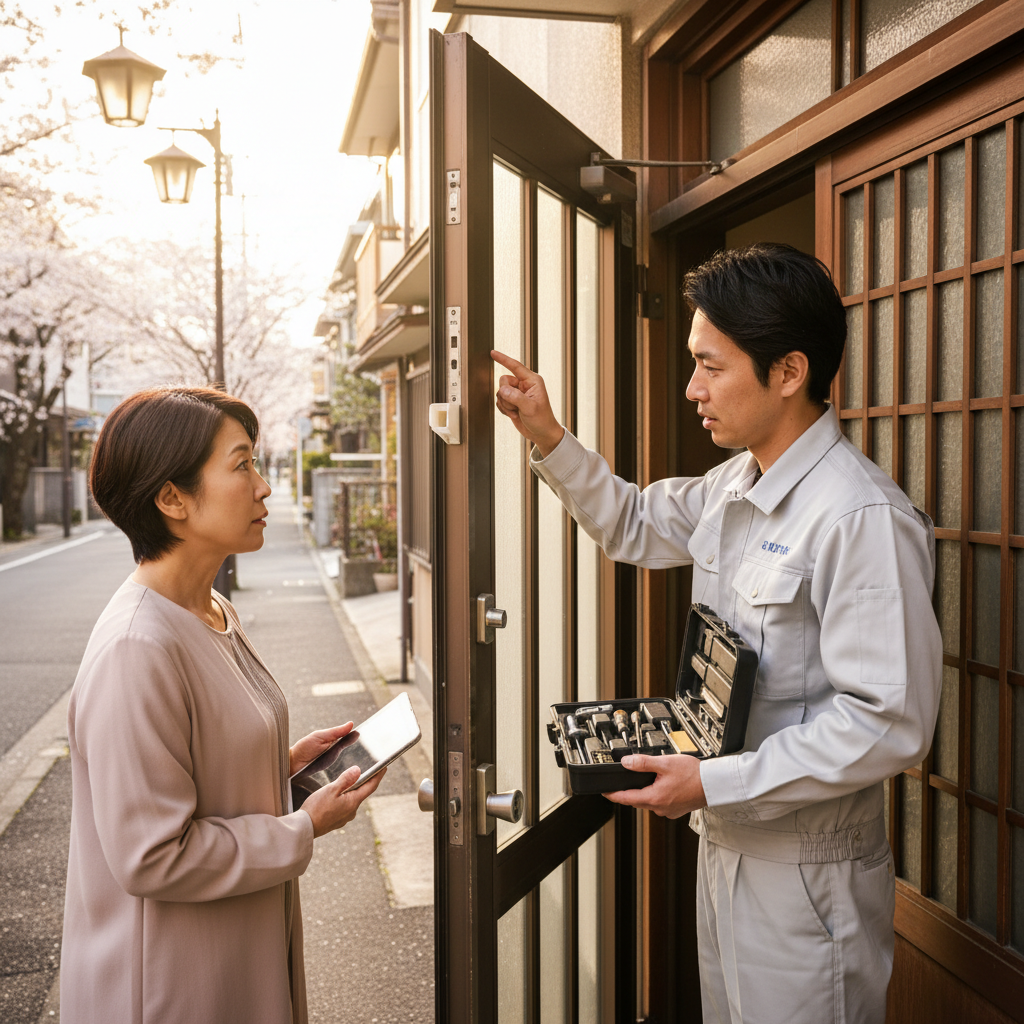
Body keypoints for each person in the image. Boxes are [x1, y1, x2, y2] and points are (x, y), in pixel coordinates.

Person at [492, 243, 942, 1024]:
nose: (692, 388)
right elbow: (633, 523)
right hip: (725, 843)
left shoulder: (859, 518)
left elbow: (888, 724)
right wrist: (547, 434)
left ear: (789, 372)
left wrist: (711, 780)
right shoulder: (736, 481)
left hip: (808, 877)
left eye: (712, 365)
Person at [61, 386, 384, 1024]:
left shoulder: (210, 610)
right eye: (241, 465)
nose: (264, 486)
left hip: (228, 956)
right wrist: (304, 824)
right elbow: (152, 855)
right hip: (171, 987)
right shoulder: (137, 647)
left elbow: (196, 764)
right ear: (171, 497)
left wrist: (281, 766)